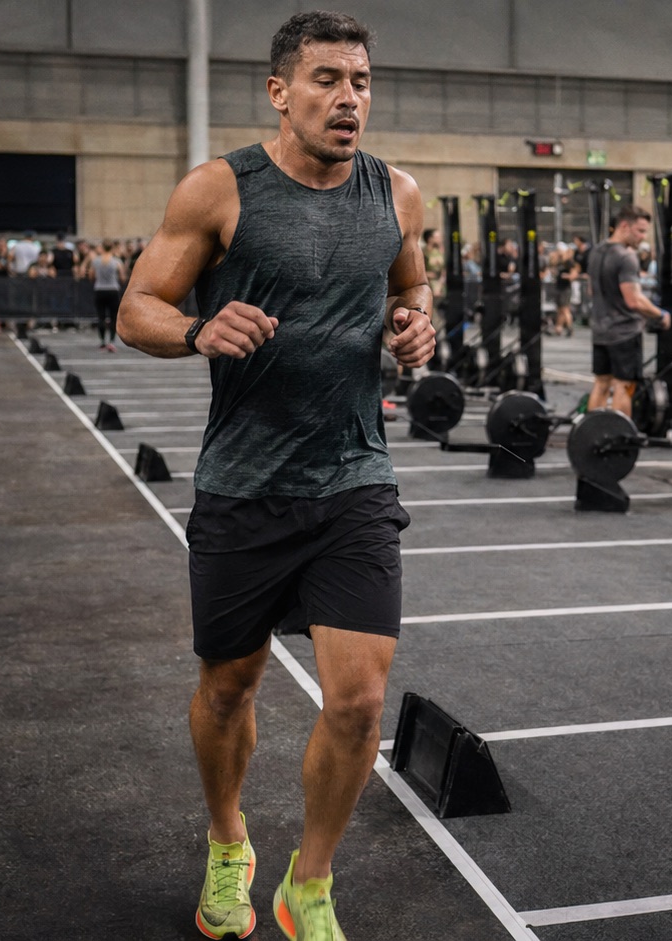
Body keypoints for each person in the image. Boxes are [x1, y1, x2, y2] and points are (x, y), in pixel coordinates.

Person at [114, 12, 435, 940]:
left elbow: (411, 286)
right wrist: (196, 330)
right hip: (244, 483)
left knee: (362, 696)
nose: (349, 98)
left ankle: (311, 881)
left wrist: (415, 323)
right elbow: (139, 308)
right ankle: (227, 842)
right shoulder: (220, 189)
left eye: (362, 81)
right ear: (279, 91)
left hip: (354, 479)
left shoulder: (398, 193)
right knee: (228, 689)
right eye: (328, 79)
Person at [586, 204, 669, 418]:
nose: (643, 237)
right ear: (624, 226)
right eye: (640, 231)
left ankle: (592, 434)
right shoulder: (626, 257)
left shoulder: (596, 251)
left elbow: (590, 290)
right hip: (624, 332)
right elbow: (634, 301)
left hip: (600, 331)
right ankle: (619, 438)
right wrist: (660, 314)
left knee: (601, 383)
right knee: (624, 386)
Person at [90, 240, 124, 351]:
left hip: (100, 289)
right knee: (113, 317)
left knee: (101, 316)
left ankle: (102, 341)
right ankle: (112, 341)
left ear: (102, 248)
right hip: (113, 290)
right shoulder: (116, 261)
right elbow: (122, 277)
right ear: (113, 248)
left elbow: (91, 276)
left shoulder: (96, 261)